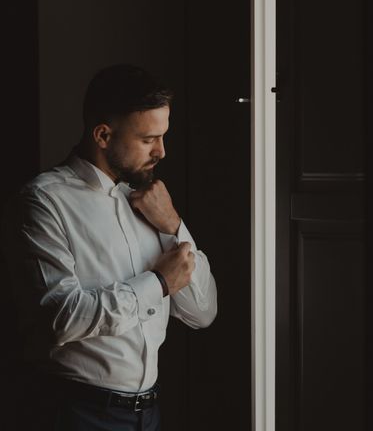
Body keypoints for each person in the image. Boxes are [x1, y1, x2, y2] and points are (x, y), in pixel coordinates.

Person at [1, 64, 217, 430]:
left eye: (164, 137)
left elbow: (202, 312)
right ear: (103, 135)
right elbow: (61, 319)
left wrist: (175, 225)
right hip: (77, 414)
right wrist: (158, 283)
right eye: (149, 139)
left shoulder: (153, 204)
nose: (161, 152)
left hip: (148, 415)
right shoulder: (44, 202)